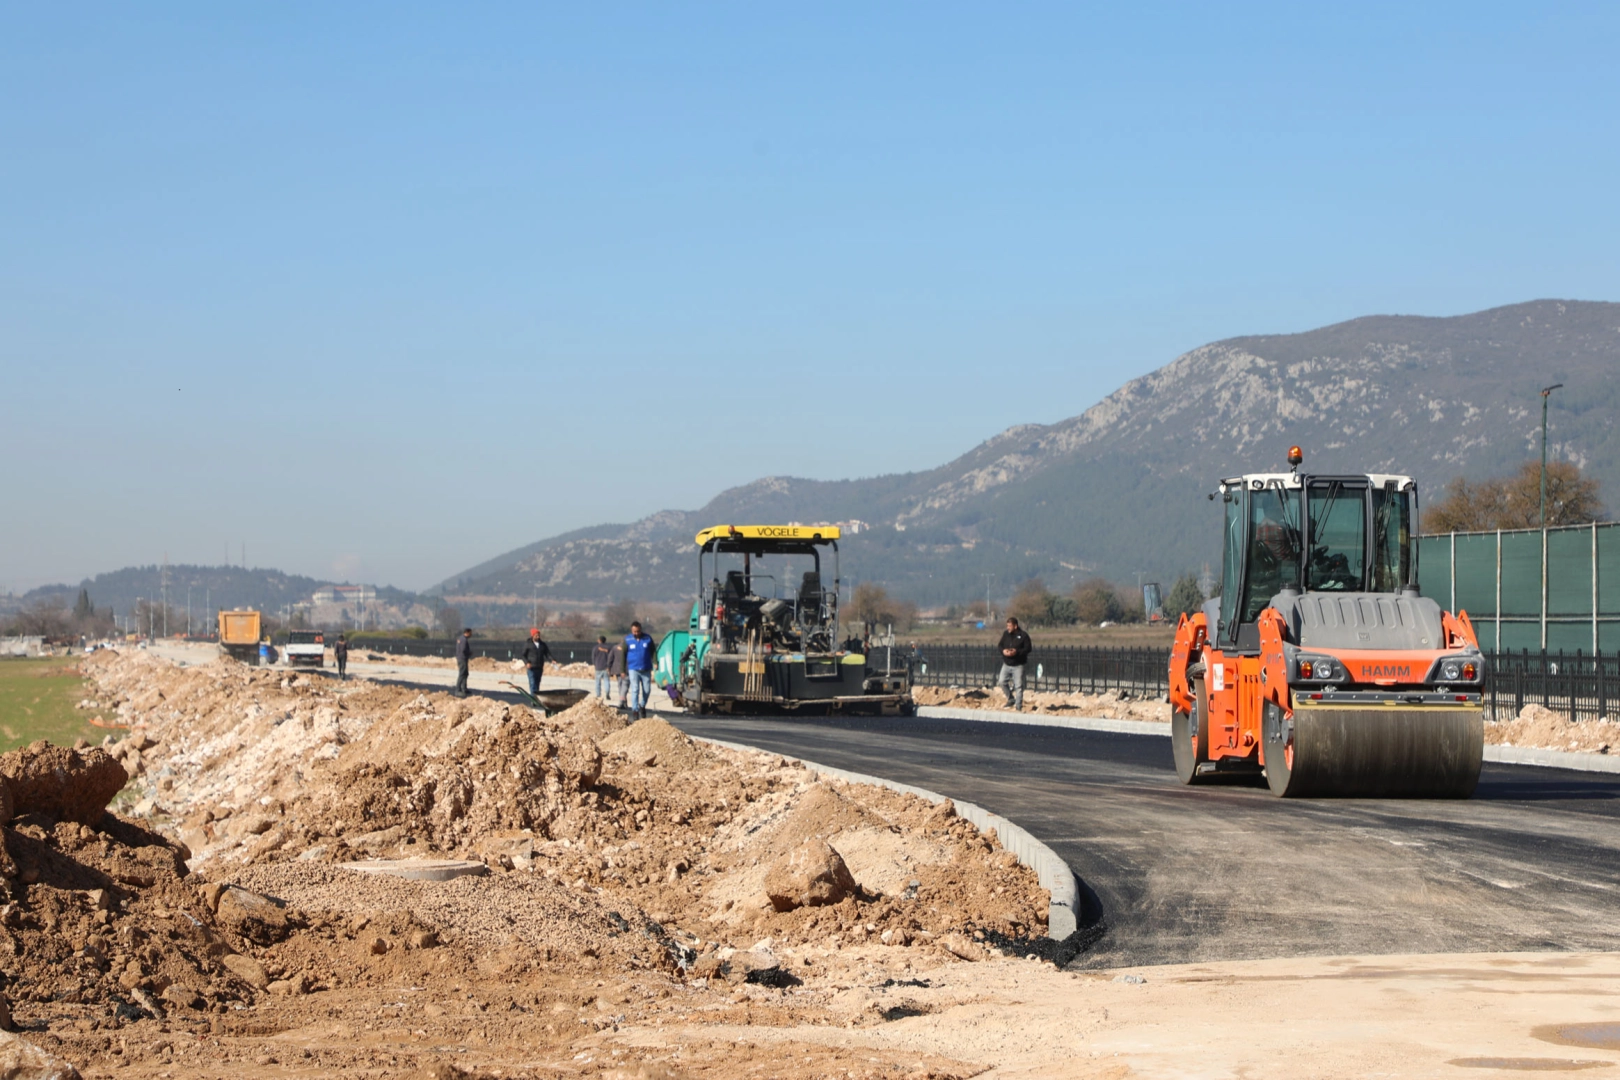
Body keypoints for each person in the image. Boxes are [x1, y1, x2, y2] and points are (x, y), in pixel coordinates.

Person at [996, 616, 1032, 710]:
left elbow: (1028, 649)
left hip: (1018, 665)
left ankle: (1018, 706)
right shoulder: (1005, 634)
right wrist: (1003, 651)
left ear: (1015, 626)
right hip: (1007, 663)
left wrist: (1017, 652)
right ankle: (1011, 699)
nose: (1008, 628)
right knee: (1002, 681)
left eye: (1009, 626)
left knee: (1018, 686)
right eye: (1007, 626)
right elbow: (1000, 645)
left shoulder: (1023, 636)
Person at [623, 620, 656, 720]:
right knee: (635, 689)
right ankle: (635, 710)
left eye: (638, 631)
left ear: (640, 630)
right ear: (631, 630)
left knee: (647, 690)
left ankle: (642, 704)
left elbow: (653, 651)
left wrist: (655, 662)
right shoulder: (627, 640)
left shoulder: (648, 638)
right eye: (634, 631)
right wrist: (622, 670)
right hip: (633, 669)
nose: (636, 633)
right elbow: (622, 655)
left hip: (646, 668)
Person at [521, 628, 553, 697]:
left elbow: (547, 654)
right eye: (536, 635)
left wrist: (552, 660)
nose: (538, 637)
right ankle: (534, 699)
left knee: (537, 683)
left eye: (538, 635)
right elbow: (523, 655)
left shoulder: (542, 645)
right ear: (533, 635)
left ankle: (536, 697)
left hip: (539, 667)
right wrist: (527, 663)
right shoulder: (528, 644)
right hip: (531, 668)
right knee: (532, 683)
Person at [454, 627, 473, 697]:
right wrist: (469, 653)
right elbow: (463, 650)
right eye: (470, 633)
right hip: (462, 659)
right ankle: (458, 690)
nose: (471, 635)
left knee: (465, 673)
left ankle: (464, 688)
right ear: (467, 633)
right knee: (462, 674)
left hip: (462, 658)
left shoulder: (461, 639)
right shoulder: (464, 640)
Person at [609, 638, 628, 708]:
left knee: (620, 685)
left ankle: (622, 701)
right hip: (627, 669)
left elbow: (610, 658)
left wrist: (609, 667)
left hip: (617, 669)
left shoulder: (615, 648)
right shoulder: (629, 648)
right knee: (625, 686)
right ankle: (623, 700)